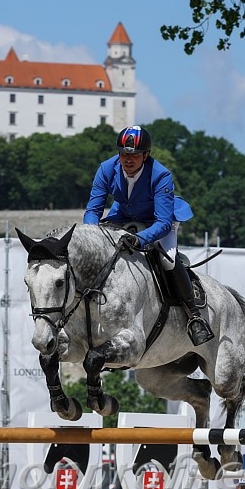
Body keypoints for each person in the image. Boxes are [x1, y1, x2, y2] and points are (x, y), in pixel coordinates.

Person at [83, 125, 214, 346]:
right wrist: (91, 235)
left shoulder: (160, 175)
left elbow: (163, 222)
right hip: (122, 217)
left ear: (146, 155)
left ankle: (194, 315)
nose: (128, 159)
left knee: (168, 259)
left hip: (158, 221)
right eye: (124, 154)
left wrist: (140, 239)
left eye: (134, 155)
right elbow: (93, 211)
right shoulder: (106, 169)